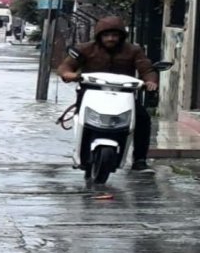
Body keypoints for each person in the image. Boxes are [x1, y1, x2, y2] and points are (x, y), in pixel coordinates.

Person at [56, 16, 159, 171]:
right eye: (106, 35)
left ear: (121, 36)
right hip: (91, 93)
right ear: (99, 36)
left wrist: (150, 81)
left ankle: (139, 159)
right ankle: (80, 154)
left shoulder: (134, 50)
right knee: (81, 119)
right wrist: (69, 75)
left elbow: (146, 69)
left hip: (124, 94)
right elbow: (65, 67)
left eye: (115, 35)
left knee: (143, 119)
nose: (110, 39)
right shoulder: (84, 49)